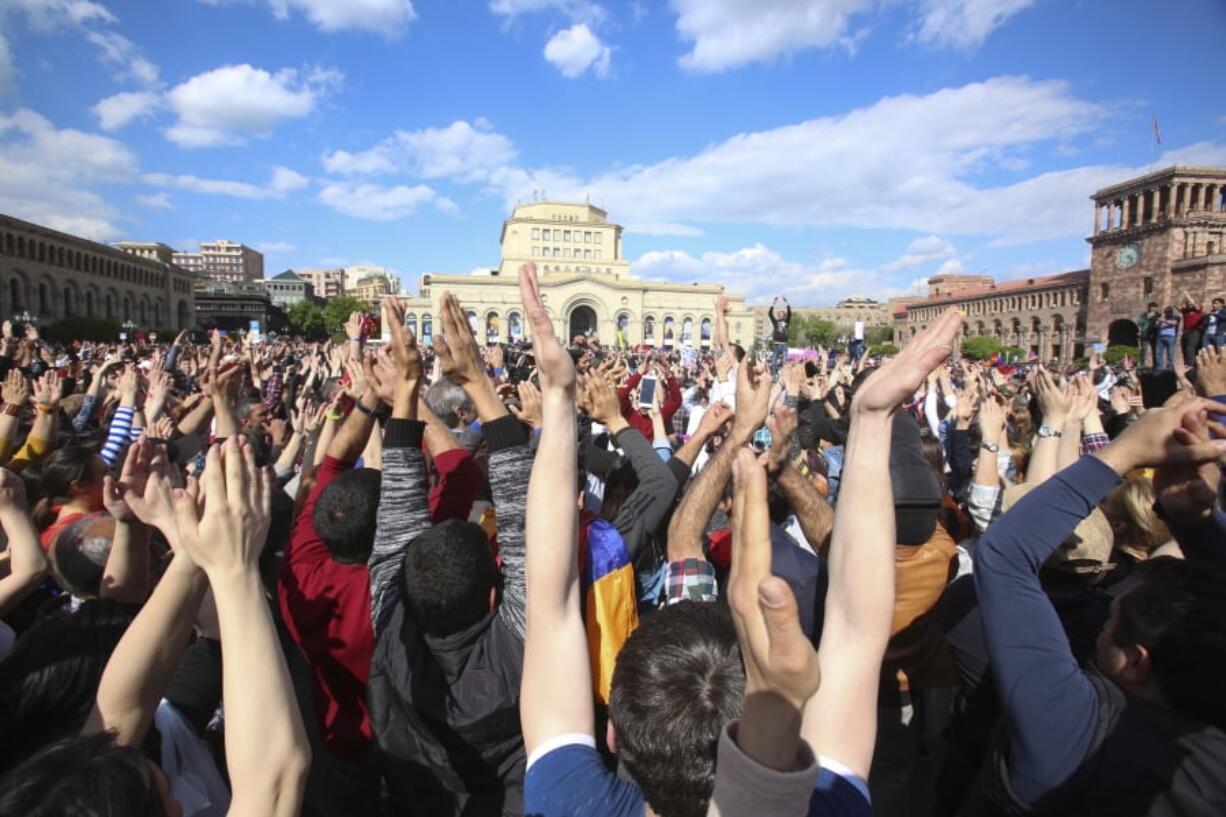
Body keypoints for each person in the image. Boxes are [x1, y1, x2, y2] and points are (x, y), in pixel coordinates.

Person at [963, 398, 1226, 815]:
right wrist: (1192, 519)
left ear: (1136, 662)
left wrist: (1125, 450)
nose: (1102, 623)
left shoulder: (1072, 737)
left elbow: (1005, 554)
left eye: (1110, 622)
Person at [365, 293, 533, 816]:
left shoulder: (393, 634)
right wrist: (477, 382)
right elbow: (526, 522)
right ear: (491, 596)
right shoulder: (517, 652)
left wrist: (408, 389)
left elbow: (396, 514)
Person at [768, 296, 791, 376]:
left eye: (782, 314)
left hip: (784, 345)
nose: (780, 316)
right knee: (773, 362)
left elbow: (790, 313)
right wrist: (773, 304)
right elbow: (770, 314)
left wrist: (787, 302)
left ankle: (785, 376)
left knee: (785, 362)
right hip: (776, 345)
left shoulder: (786, 322)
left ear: (784, 316)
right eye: (779, 314)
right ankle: (775, 375)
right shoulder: (775, 322)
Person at [1155, 306, 1180, 370]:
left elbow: (1174, 323)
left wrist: (1164, 320)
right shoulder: (1162, 318)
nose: (1168, 313)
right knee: (1159, 353)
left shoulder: (1175, 317)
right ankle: (1160, 368)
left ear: (1171, 312)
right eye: (1166, 312)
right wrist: (1159, 320)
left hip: (1170, 337)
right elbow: (1156, 325)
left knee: (1170, 353)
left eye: (1169, 312)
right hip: (1160, 337)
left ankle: (1170, 368)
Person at [1137, 302, 1160, 367]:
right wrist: (1139, 331)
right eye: (1151, 307)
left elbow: (1160, 324)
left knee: (1155, 350)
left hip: (1154, 335)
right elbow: (1139, 324)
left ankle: (1155, 365)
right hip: (1144, 335)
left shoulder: (1158, 315)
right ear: (1149, 307)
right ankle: (1142, 364)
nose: (1153, 308)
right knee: (1143, 350)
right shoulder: (1143, 315)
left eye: (1154, 307)